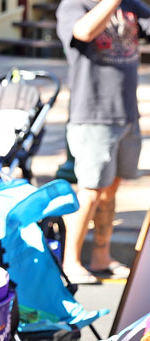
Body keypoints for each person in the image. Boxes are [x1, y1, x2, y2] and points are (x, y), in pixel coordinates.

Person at [56, 0, 150, 284]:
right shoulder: (74, 4)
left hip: (126, 113)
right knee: (91, 190)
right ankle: (70, 262)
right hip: (93, 114)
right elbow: (83, 32)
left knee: (110, 189)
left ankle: (101, 257)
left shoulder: (132, 5)